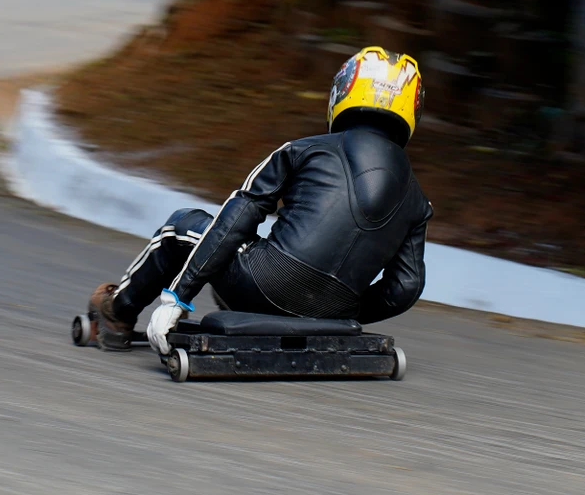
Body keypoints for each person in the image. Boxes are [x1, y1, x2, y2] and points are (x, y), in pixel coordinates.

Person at [85, 45, 434, 355]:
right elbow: (405, 287)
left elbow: (237, 217)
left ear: (345, 90)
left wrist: (177, 297)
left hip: (263, 286)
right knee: (239, 250)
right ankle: (284, 305)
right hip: (335, 311)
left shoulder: (303, 150)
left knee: (183, 225)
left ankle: (118, 311)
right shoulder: (418, 200)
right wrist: (346, 309)